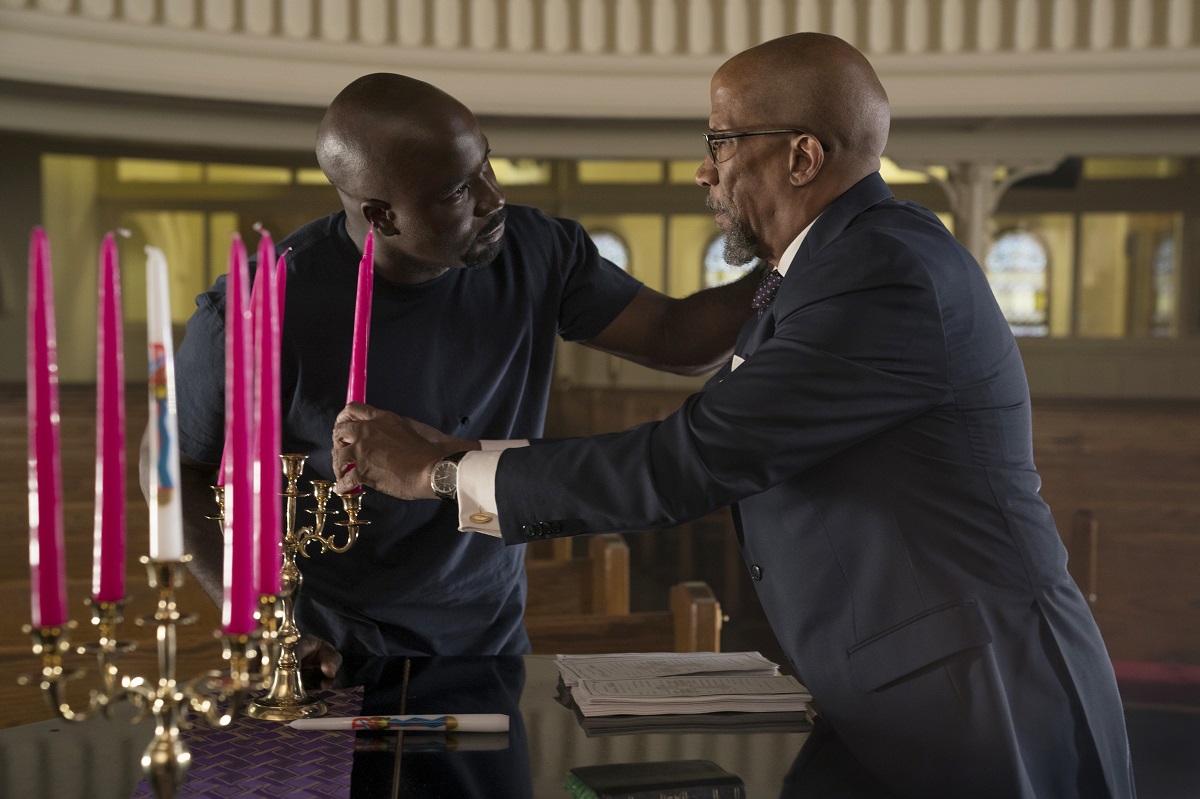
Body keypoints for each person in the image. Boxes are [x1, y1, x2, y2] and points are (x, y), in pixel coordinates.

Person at [329, 33, 1136, 799]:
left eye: (720, 142)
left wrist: (441, 472)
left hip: (978, 695)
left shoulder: (879, 274)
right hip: (898, 683)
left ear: (801, 157)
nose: (703, 171)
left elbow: (692, 458)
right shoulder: (824, 269)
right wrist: (462, 450)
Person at [165, 73, 760, 675]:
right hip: (327, 643)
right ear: (382, 217)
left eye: (486, 166)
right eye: (457, 191)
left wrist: (793, 259)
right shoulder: (255, 310)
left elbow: (680, 342)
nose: (493, 197)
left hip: (487, 633)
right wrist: (257, 616)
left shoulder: (536, 248)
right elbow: (174, 470)